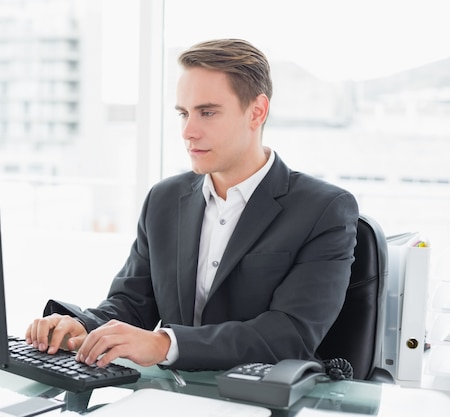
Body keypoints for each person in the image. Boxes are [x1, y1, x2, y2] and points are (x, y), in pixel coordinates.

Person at [25, 38, 359, 371]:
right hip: (171, 396)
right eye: (183, 113)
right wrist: (86, 326)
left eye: (207, 112)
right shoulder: (164, 199)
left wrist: (164, 344)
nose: (188, 131)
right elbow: (132, 302)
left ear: (256, 112)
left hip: (260, 397)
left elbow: (290, 335)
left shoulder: (324, 210)